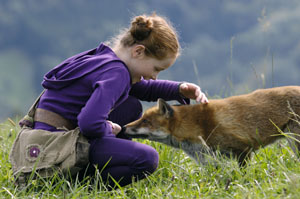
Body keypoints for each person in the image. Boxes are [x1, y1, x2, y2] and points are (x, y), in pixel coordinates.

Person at [33, 13, 208, 189]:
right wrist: (109, 129)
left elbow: (140, 88)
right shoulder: (117, 73)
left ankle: (91, 169)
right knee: (147, 159)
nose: (154, 77)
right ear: (138, 51)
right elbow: (89, 123)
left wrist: (180, 89)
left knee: (129, 106)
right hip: (57, 149)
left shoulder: (105, 59)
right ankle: (82, 186)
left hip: (42, 143)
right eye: (156, 68)